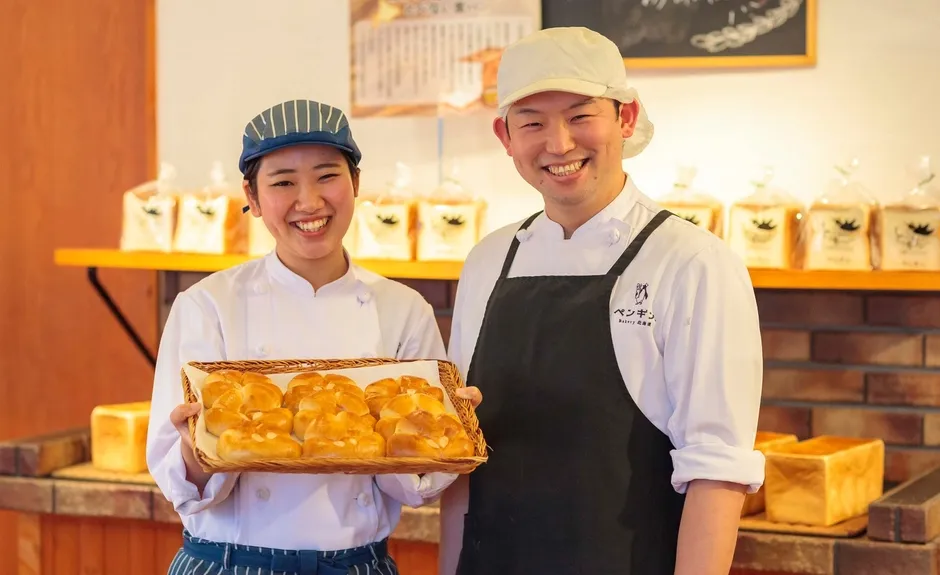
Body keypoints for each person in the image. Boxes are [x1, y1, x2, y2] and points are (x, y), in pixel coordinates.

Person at [439, 27, 765, 575]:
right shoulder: (488, 260)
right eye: (532, 122)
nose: (559, 143)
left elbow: (717, 469)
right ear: (505, 136)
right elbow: (462, 451)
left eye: (580, 115)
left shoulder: (692, 262)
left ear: (627, 118)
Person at [146, 99, 460, 575]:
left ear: (355, 184)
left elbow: (416, 489)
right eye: (283, 182)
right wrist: (196, 451)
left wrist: (442, 430)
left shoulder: (403, 310)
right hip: (229, 563)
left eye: (327, 175)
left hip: (356, 564)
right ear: (251, 197)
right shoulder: (207, 306)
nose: (309, 201)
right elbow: (181, 487)